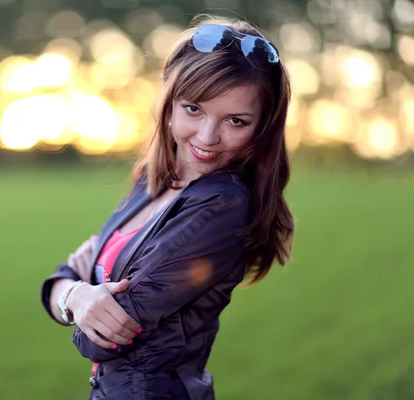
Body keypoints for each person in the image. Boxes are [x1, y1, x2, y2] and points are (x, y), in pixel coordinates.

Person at [40, 14, 294, 400]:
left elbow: (101, 341)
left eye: (236, 120)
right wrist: (77, 296)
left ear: (262, 126)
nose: (208, 137)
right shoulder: (153, 184)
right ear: (169, 103)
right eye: (194, 109)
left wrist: (76, 290)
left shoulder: (221, 206)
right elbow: (59, 284)